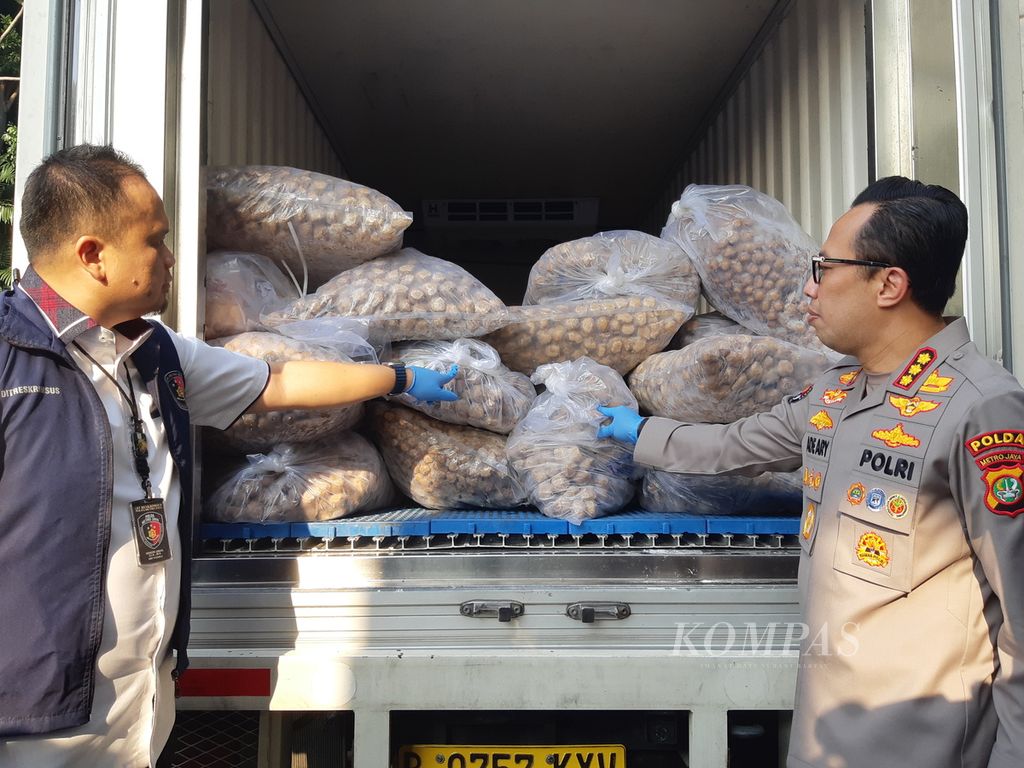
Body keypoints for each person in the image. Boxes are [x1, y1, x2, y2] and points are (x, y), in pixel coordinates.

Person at [0, 144, 458, 767]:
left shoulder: (152, 351)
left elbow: (275, 382)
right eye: (155, 240)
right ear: (93, 255)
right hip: (35, 718)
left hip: (140, 705)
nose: (169, 258)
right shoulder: (11, 359)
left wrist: (397, 379)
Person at [598, 177, 1024, 768]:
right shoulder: (836, 392)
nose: (807, 287)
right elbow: (735, 445)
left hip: (924, 746)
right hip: (825, 736)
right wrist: (635, 431)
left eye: (824, 267)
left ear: (889, 283)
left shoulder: (980, 408)